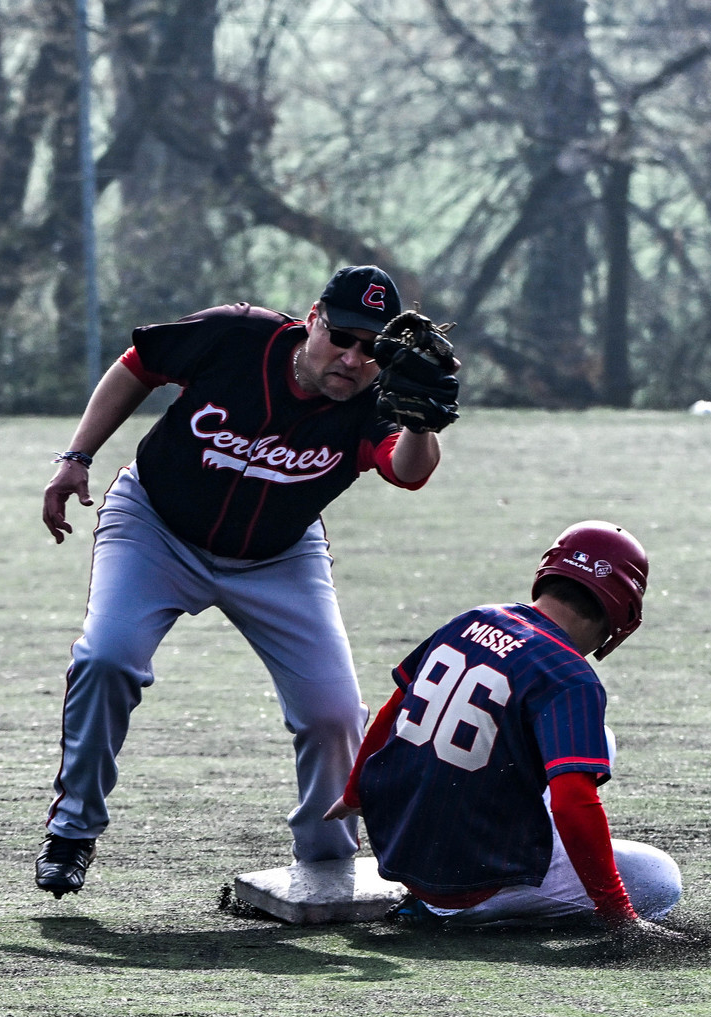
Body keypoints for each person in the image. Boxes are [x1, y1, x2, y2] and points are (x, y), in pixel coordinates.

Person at [34, 265, 458, 898]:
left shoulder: (377, 398)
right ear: (312, 319)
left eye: (372, 348)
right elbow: (137, 365)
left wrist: (421, 423)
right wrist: (76, 457)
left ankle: (326, 865)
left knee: (334, 714)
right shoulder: (236, 335)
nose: (352, 358)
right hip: (156, 526)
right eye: (341, 336)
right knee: (106, 659)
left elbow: (409, 471)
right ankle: (72, 829)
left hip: (279, 554)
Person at [324, 521, 684, 938]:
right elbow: (573, 803)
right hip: (473, 884)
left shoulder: (473, 618)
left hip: (401, 848)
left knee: (594, 740)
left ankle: (446, 893)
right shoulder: (570, 675)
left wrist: (355, 792)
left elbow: (394, 708)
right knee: (659, 879)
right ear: (622, 610)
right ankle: (475, 914)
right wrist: (618, 913)